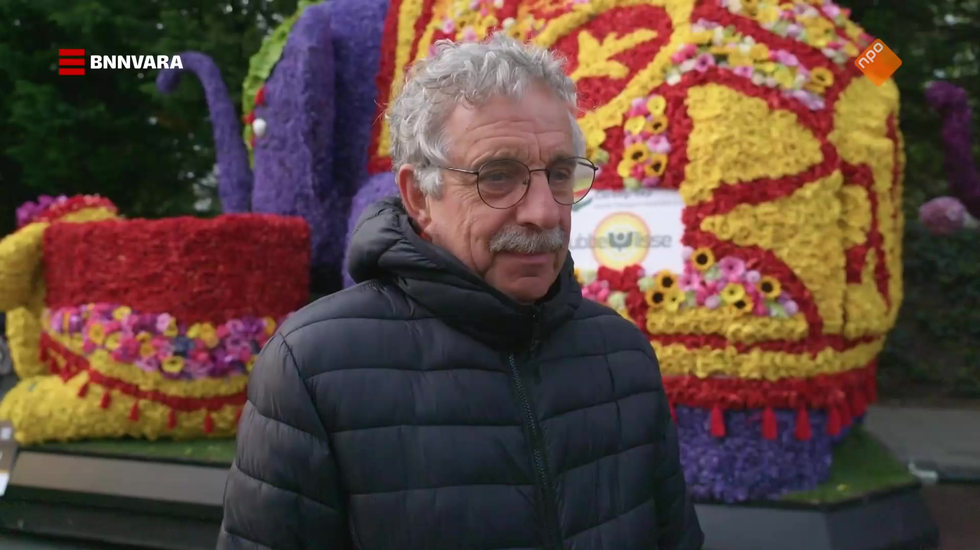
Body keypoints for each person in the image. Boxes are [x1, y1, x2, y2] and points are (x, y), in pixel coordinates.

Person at [218, 33, 703, 550]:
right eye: (498, 176)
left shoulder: (620, 355)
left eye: (559, 174)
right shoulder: (312, 365)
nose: (543, 211)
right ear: (418, 196)